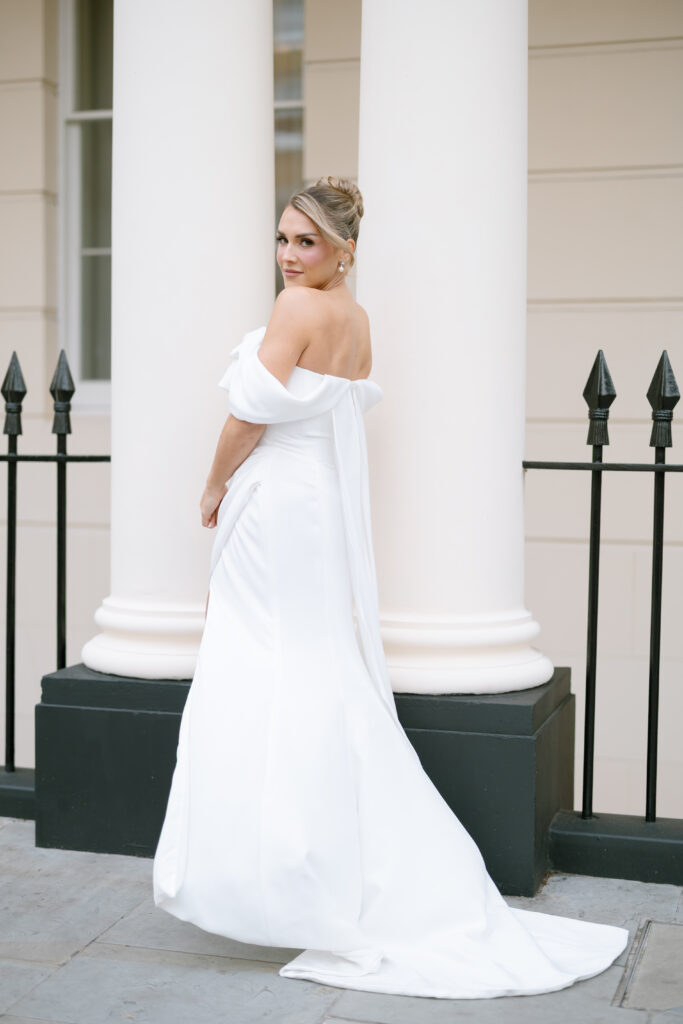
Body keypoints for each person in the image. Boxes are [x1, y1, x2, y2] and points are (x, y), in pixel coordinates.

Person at [152, 176, 628, 999]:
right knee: (310, 666)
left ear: (344, 249)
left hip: (275, 502)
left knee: (267, 665)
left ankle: (297, 868)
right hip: (316, 509)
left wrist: (209, 488)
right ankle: (329, 856)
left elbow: (249, 416)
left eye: (306, 241)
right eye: (281, 239)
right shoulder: (356, 320)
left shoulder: (296, 310)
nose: (289, 256)